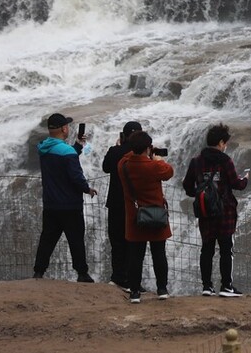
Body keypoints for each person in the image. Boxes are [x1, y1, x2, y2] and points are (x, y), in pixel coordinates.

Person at [183, 123, 248, 297]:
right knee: (226, 248)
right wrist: (246, 179)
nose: (225, 146)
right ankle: (226, 286)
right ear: (220, 143)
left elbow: (187, 186)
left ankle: (207, 287)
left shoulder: (196, 161)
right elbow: (237, 184)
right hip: (225, 211)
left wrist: (200, 194)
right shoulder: (225, 161)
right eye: (225, 143)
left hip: (205, 212)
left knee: (207, 249)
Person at [32, 112, 97, 282]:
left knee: (47, 239)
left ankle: (38, 272)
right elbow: (75, 175)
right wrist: (87, 189)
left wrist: (78, 145)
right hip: (70, 205)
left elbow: (63, 157)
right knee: (75, 239)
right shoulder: (66, 152)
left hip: (51, 204)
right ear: (63, 128)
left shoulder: (44, 148)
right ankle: (82, 273)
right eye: (66, 125)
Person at [118, 130, 174, 304]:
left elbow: (128, 156)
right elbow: (169, 171)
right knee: (159, 254)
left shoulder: (123, 165)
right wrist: (157, 158)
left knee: (135, 256)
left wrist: (141, 150)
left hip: (136, 218)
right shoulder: (155, 166)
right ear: (148, 148)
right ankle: (162, 289)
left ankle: (135, 292)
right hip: (156, 216)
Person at [102, 120, 141, 291]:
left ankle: (117, 277)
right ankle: (132, 281)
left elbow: (105, 168)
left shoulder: (115, 151)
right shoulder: (141, 155)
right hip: (134, 205)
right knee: (133, 242)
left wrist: (117, 147)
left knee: (117, 241)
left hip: (115, 204)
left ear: (123, 136)